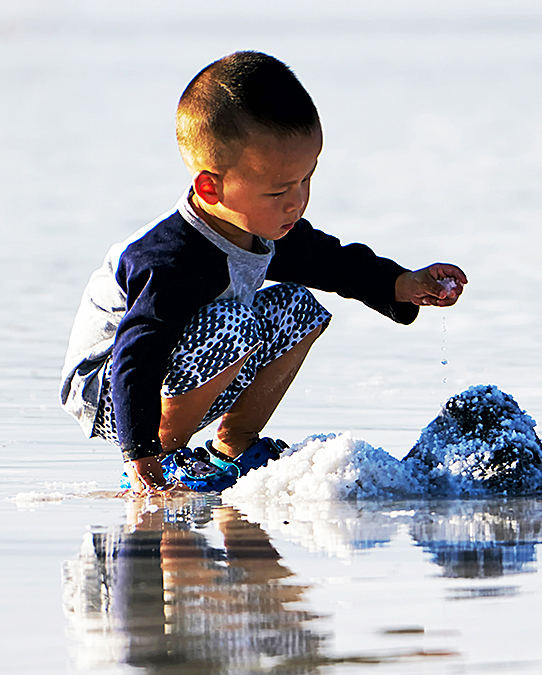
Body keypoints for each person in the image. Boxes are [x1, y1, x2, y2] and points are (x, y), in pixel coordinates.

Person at [61, 51, 466, 494]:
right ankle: (168, 456)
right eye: (278, 190)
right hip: (111, 390)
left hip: (182, 368)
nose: (297, 202)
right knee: (233, 325)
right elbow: (137, 355)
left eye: (306, 179)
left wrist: (403, 285)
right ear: (210, 187)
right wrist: (138, 451)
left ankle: (235, 445)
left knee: (299, 307)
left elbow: (331, 262)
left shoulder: (259, 226)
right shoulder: (171, 261)